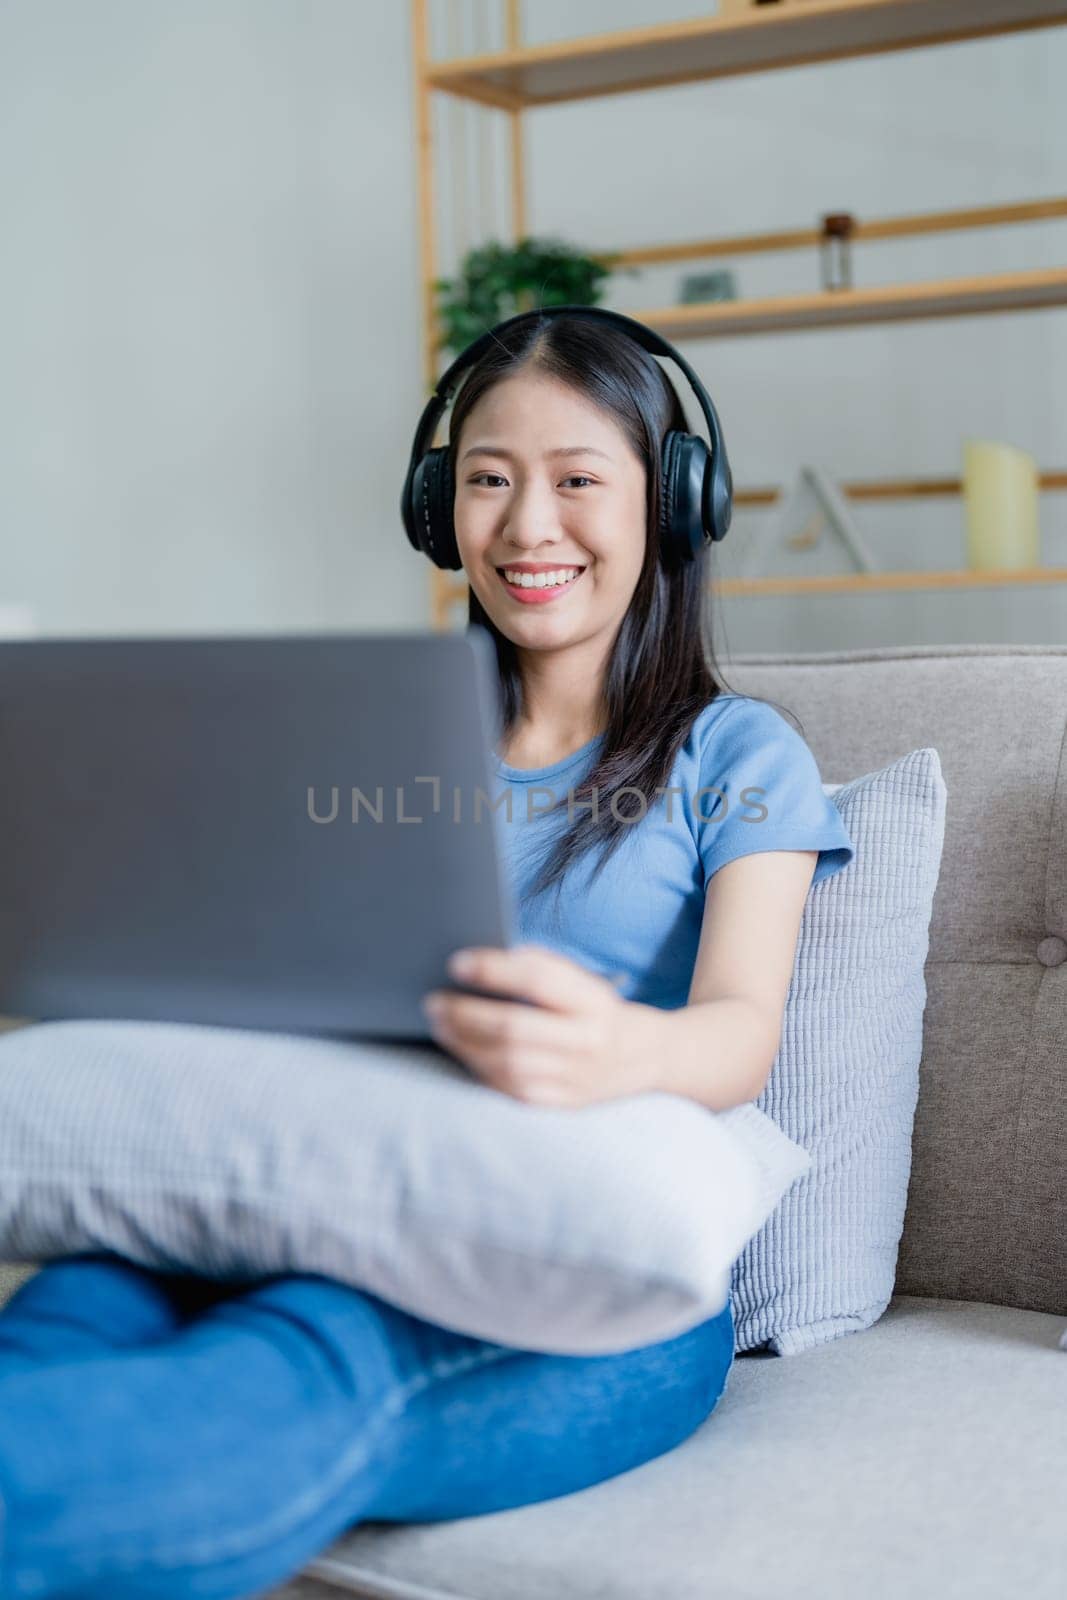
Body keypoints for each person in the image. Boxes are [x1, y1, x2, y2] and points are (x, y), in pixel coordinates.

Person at [0, 310, 853, 1599]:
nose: (527, 528)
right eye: (487, 480)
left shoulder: (736, 757)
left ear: (674, 503)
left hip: (587, 1276)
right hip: (315, 1197)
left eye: (577, 480)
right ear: (434, 507)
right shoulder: (363, 739)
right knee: (73, 1313)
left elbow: (739, 1031)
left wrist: (611, 1043)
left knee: (301, 1361)